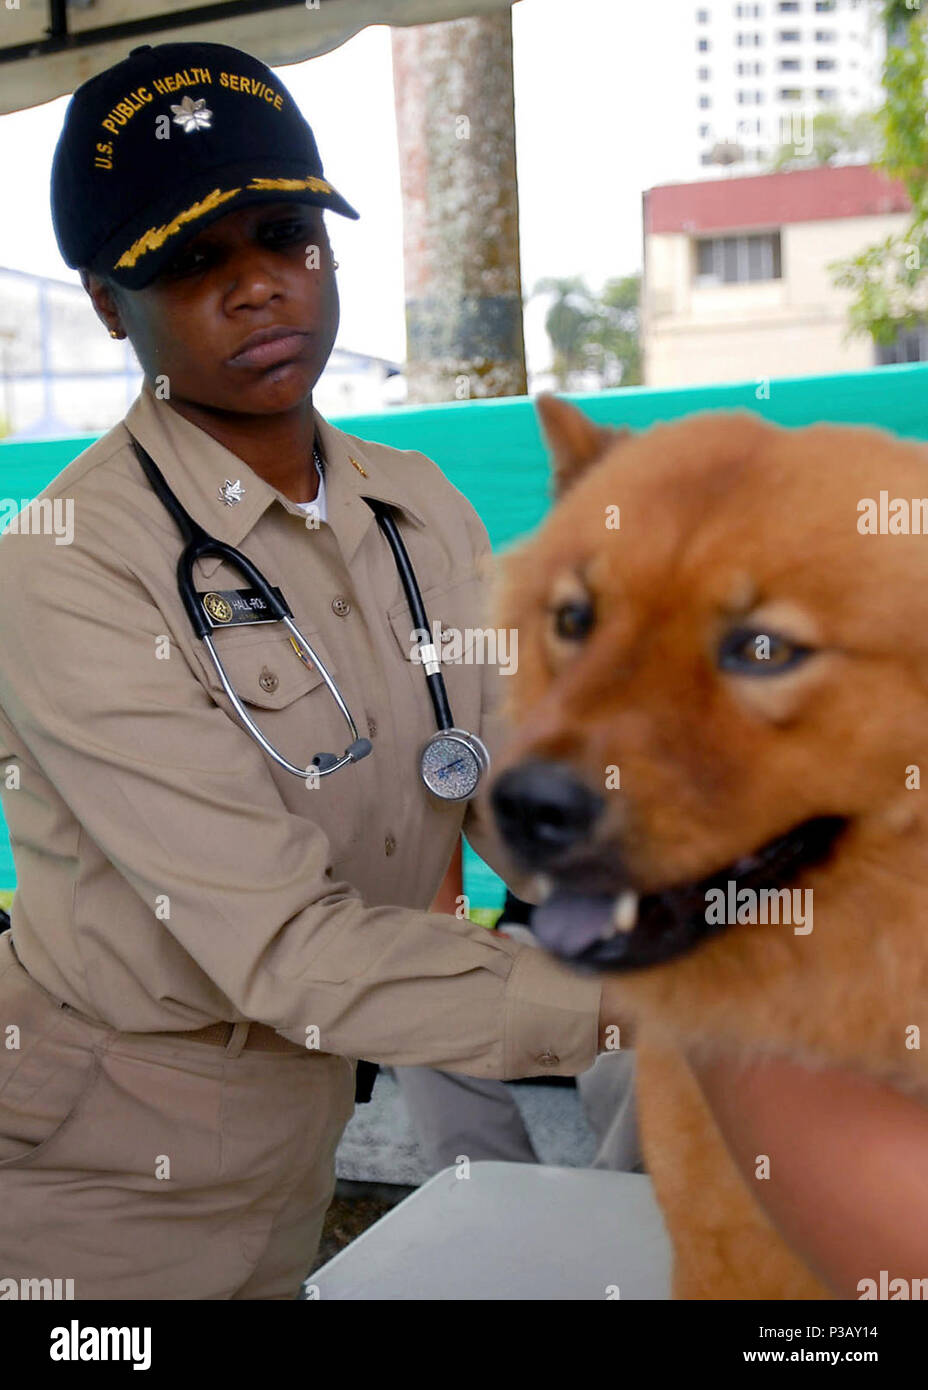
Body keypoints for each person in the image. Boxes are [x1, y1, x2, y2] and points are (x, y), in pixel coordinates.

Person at [0, 40, 624, 1301]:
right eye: (190, 261)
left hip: (299, 1117)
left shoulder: (418, 509)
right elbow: (284, 947)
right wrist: (661, 1000)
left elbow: (518, 790)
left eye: (284, 236)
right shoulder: (62, 568)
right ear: (111, 301)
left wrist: (720, 900)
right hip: (95, 1171)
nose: (255, 290)